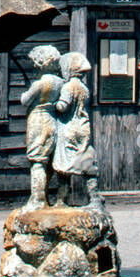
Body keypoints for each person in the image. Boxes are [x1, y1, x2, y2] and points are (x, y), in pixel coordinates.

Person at [54, 51, 104, 211]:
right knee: (86, 156)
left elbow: (63, 106)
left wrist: (53, 105)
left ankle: (62, 199)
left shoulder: (68, 87)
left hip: (68, 127)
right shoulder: (84, 87)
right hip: (83, 127)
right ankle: (94, 196)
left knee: (64, 163)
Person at [19, 44, 62, 211]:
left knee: (37, 160)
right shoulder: (60, 82)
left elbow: (25, 101)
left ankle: (38, 199)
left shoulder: (41, 83)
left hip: (38, 120)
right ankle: (44, 196)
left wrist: (26, 92)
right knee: (48, 160)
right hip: (53, 120)